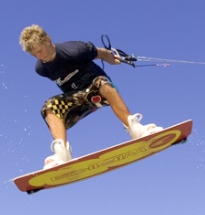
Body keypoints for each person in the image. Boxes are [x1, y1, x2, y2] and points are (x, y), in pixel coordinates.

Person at [19, 25, 162, 169]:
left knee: (102, 83)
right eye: (34, 54)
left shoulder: (75, 50)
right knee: (49, 106)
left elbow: (102, 53)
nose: (39, 56)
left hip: (98, 91)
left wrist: (114, 60)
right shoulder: (41, 69)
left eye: (40, 51)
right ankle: (62, 154)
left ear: (48, 40)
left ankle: (136, 129)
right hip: (77, 99)